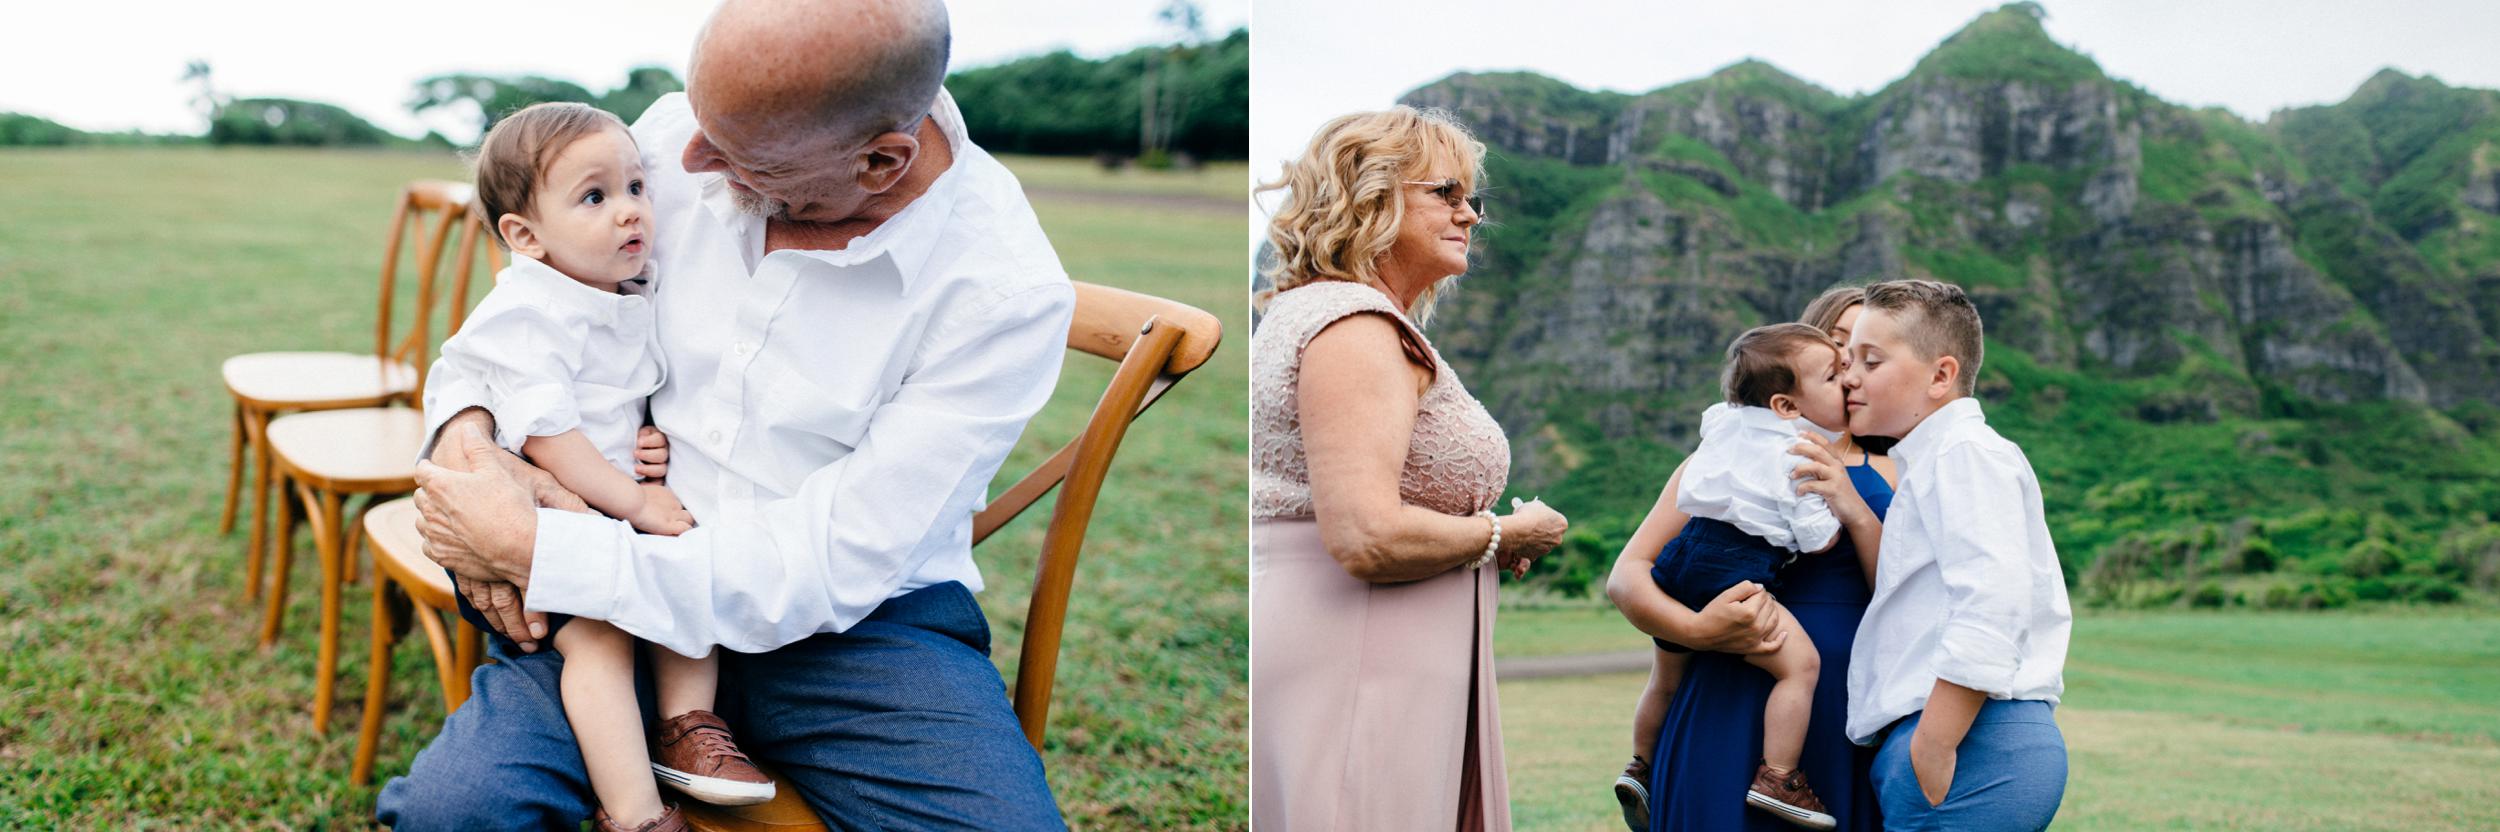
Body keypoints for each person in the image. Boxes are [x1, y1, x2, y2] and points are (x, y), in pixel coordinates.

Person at [379, 0, 1076, 828]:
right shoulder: (691, 134)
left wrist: (540, 549)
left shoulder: (1002, 290)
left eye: (737, 157)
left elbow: (833, 561)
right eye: (696, 122)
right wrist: (472, 443)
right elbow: (510, 333)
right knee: (459, 813)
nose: (687, 160)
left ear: (882, 161)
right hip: (614, 582)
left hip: (852, 630)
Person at [422, 101, 772, 832]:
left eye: (638, 188)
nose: (629, 213)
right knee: (602, 641)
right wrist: (634, 498)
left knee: (682, 592)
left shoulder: (621, 289)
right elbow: (547, 436)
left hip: (613, 500)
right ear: (525, 236)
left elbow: (620, 398)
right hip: (548, 516)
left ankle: (687, 725)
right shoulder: (530, 311)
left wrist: (644, 442)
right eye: (595, 197)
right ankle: (639, 815)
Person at [1249, 106, 1567, 831]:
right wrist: (1507, 533)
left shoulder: (1321, 313)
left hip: (1375, 643)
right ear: (1371, 197)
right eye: (1446, 194)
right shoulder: (1356, 327)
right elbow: (1365, 535)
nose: (1470, 215)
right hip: (1361, 645)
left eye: (1472, 199)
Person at [1607, 287, 1893, 832]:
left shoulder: (1901, 466)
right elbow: (1628, 576)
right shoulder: (1731, 460)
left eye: (1865, 356)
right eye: (1836, 354)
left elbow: (1905, 592)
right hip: (1732, 691)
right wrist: (1696, 629)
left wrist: (1853, 508)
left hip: (1850, 703)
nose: (1850, 374)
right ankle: (1650, 765)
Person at [1841, 279, 2071, 830]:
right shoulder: (1934, 460)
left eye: (1870, 361)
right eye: (1848, 360)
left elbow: (1994, 598)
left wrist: (1934, 746)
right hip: (1957, 739)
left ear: (1941, 376)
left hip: (1973, 740)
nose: (1849, 376)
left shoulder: (1963, 453)